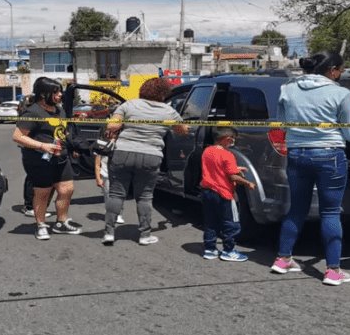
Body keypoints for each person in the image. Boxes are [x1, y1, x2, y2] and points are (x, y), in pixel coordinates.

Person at [271, 52, 350, 286]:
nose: (341, 75)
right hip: (330, 154)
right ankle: (332, 270)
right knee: (330, 212)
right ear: (332, 70)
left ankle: (282, 259)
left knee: (296, 208)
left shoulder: (287, 89)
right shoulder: (341, 93)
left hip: (298, 152)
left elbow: (281, 123)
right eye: (340, 70)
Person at [101, 77, 188, 246]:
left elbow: (112, 126)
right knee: (145, 197)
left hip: (123, 152)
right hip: (151, 155)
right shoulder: (169, 111)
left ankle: (109, 233)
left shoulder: (129, 105)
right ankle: (145, 235)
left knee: (116, 194)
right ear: (163, 94)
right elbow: (183, 131)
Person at [11, 77, 82, 240]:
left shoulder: (60, 110)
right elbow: (17, 136)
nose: (59, 95)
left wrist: (72, 146)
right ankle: (41, 225)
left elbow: (61, 131)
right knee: (42, 193)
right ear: (43, 94)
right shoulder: (33, 112)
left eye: (60, 92)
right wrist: (42, 146)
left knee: (67, 189)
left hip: (61, 158)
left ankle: (61, 222)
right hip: (39, 160)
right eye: (56, 92)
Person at [199, 127, 256, 262]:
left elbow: (217, 167)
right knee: (231, 223)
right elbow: (233, 177)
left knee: (210, 221)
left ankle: (210, 249)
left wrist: (235, 168)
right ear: (227, 139)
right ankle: (228, 251)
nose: (233, 142)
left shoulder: (207, 151)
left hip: (207, 191)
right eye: (233, 140)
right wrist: (248, 183)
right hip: (223, 193)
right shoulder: (228, 155)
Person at [17, 95, 53, 219]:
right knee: (32, 179)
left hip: (40, 149)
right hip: (32, 150)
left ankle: (38, 206)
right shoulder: (30, 112)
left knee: (40, 179)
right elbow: (21, 134)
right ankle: (29, 207)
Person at [94, 153, 124, 224]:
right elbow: (97, 164)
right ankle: (110, 214)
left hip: (120, 174)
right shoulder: (100, 145)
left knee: (120, 195)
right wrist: (98, 178)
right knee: (108, 196)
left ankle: (118, 214)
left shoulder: (120, 144)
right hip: (106, 175)